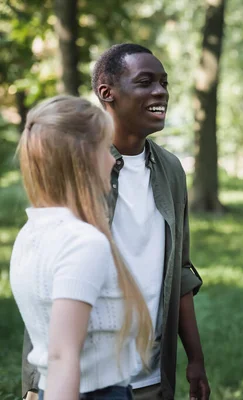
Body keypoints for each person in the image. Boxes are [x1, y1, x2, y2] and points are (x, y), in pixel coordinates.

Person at [21, 44, 210, 400]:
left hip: (151, 374)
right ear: (107, 93)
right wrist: (37, 383)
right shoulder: (78, 169)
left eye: (164, 83)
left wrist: (195, 359)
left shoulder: (170, 170)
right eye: (145, 82)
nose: (160, 92)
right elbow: (47, 276)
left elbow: (180, 271)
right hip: (84, 379)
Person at [11, 95, 154, 400]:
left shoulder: (30, 233)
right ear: (84, 159)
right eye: (105, 148)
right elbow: (63, 356)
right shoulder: (83, 243)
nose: (113, 159)